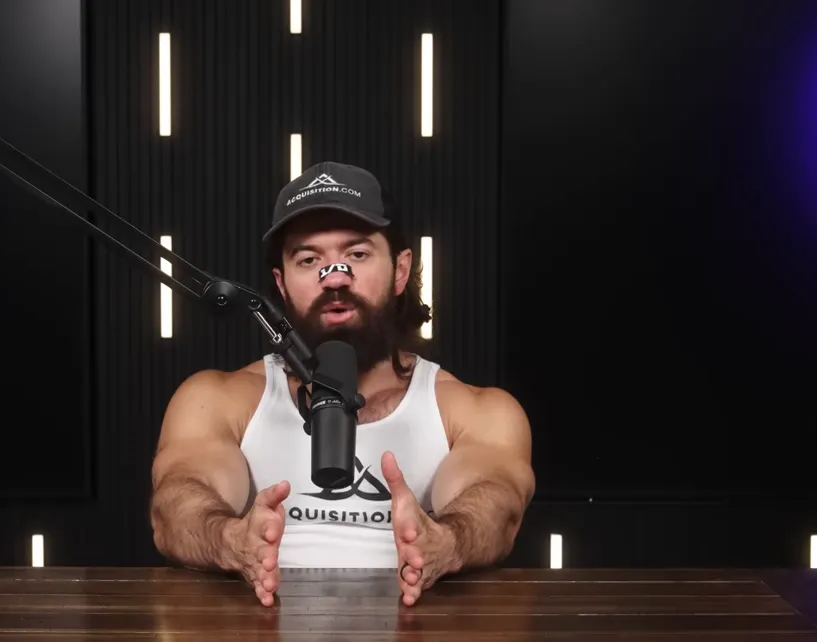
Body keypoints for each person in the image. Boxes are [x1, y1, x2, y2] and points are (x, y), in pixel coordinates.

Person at [149, 161, 535, 607]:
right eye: (309, 259)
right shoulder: (217, 399)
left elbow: (496, 503)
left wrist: (447, 542)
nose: (334, 278)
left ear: (401, 270)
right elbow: (175, 503)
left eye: (357, 255)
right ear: (281, 284)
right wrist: (228, 539)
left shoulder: (475, 411)